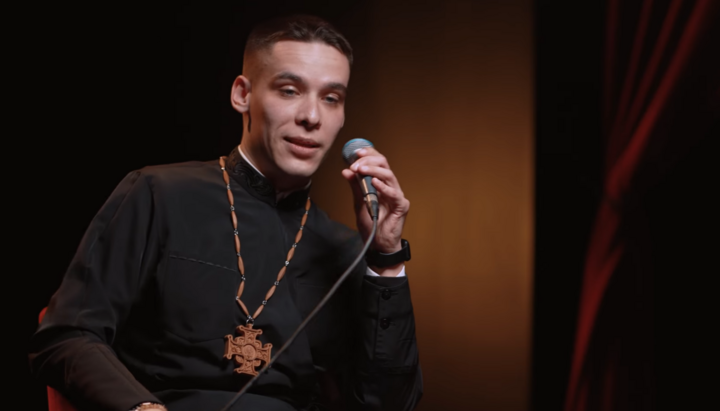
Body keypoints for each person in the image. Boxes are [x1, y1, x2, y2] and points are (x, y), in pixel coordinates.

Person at [29, 14, 422, 411]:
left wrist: (386, 258)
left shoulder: (346, 249)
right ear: (242, 95)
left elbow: (390, 405)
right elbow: (65, 337)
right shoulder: (159, 193)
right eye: (289, 91)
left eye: (331, 98)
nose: (312, 117)